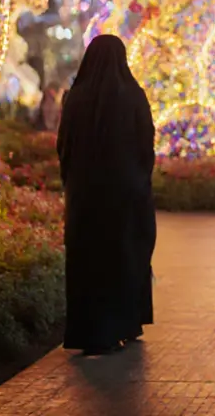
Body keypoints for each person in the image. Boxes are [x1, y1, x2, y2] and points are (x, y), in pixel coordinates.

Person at [57, 35, 157, 354]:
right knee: (125, 257)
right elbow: (146, 145)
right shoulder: (133, 95)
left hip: (85, 197)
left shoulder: (76, 97)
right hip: (126, 196)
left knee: (89, 260)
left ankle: (90, 331)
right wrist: (139, 178)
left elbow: (64, 147)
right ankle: (125, 323)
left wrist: (73, 181)